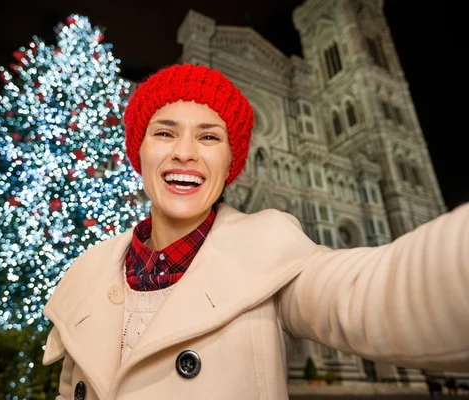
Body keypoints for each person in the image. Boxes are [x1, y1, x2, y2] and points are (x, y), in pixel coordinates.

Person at [41, 63, 469, 400]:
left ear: (234, 162)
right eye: (165, 132)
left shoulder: (271, 254)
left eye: (209, 137)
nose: (185, 152)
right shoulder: (90, 273)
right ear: (140, 151)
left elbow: (371, 295)